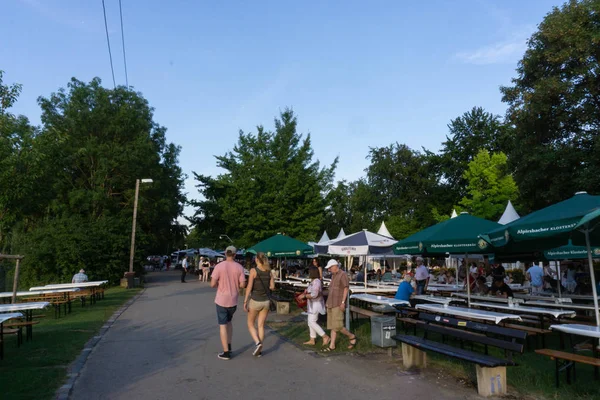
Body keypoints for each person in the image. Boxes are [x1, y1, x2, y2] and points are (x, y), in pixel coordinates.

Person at [211, 246, 246, 360]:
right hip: (233, 299)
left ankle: (226, 352)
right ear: (235, 255)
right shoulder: (239, 267)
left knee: (222, 325)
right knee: (229, 322)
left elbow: (212, 283)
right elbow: (242, 285)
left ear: (225, 254)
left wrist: (219, 285)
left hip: (221, 299)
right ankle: (229, 345)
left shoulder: (219, 266)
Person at [243, 252, 274, 358]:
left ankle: (257, 343)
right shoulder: (269, 271)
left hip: (255, 301)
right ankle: (259, 350)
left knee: (250, 324)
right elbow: (272, 286)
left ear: (256, 260)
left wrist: (245, 301)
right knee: (261, 325)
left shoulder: (253, 271)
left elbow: (249, 287)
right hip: (266, 302)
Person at [323, 259, 356, 352]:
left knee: (338, 326)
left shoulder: (343, 274)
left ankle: (352, 336)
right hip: (331, 302)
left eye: (330, 268)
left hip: (338, 303)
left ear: (334, 266)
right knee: (332, 325)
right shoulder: (333, 276)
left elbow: (346, 289)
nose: (329, 270)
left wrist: (342, 302)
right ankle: (332, 345)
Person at [299, 267, 330, 346]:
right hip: (312, 304)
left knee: (312, 321)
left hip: (316, 304)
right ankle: (312, 339)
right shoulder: (314, 281)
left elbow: (314, 294)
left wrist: (305, 296)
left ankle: (325, 336)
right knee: (310, 322)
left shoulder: (316, 282)